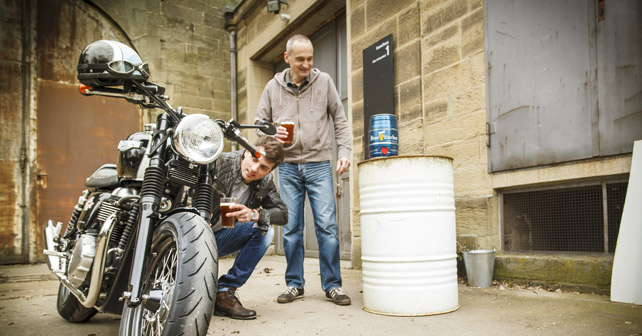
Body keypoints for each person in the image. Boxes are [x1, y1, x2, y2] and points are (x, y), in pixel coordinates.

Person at [254, 34, 352, 306]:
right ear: (287, 58)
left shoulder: (324, 82)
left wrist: (343, 153)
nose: (307, 64)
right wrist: (274, 136)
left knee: (327, 228)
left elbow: (340, 122)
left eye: (310, 58)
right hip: (286, 168)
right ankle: (294, 284)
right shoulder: (272, 88)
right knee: (291, 229)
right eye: (301, 59)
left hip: (319, 164)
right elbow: (259, 125)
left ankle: (332, 286)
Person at [209, 136, 287, 319]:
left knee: (265, 230)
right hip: (190, 237)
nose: (254, 169)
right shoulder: (219, 162)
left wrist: (256, 214)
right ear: (246, 152)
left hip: (219, 239)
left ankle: (224, 293)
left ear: (270, 171)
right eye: (254, 159)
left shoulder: (265, 182)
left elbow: (283, 214)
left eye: (263, 168)